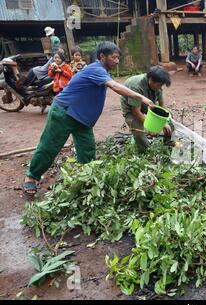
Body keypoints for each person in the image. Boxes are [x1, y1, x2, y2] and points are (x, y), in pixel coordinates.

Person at [22, 42, 157, 196]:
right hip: (64, 113)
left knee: (87, 152)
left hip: (83, 121)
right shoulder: (96, 69)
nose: (117, 61)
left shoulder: (102, 71)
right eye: (114, 57)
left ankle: (88, 179)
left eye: (118, 58)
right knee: (49, 146)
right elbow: (115, 86)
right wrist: (143, 98)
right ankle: (31, 177)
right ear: (102, 56)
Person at [121, 66, 173, 153]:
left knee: (170, 119)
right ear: (151, 80)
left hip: (148, 101)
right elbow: (136, 112)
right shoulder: (136, 86)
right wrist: (151, 128)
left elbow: (162, 105)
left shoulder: (157, 84)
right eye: (159, 85)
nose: (160, 88)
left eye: (162, 85)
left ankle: (168, 144)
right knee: (137, 129)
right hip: (131, 107)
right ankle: (145, 153)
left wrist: (165, 123)